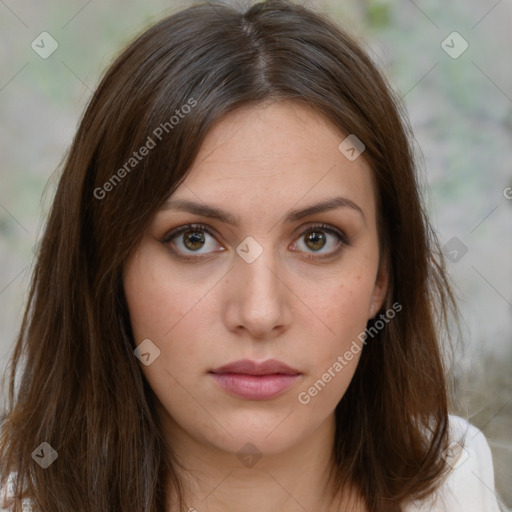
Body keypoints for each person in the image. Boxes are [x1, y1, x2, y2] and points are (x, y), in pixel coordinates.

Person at [0, 1, 504, 511]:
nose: (260, 313)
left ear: (383, 277)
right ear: (110, 270)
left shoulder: (457, 484)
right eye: (193, 239)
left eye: (317, 239)